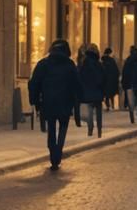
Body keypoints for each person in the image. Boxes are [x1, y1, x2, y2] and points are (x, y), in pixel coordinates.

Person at [28, 39, 81, 170]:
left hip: (48, 101)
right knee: (63, 127)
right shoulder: (70, 65)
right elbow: (77, 85)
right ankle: (58, 151)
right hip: (65, 101)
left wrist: (34, 101)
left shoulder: (43, 64)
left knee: (51, 127)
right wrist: (78, 100)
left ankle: (53, 153)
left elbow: (34, 83)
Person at [78, 44, 105, 137]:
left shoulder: (83, 63)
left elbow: (80, 77)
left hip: (88, 91)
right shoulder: (99, 64)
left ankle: (90, 130)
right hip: (98, 91)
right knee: (99, 112)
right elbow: (103, 78)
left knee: (89, 110)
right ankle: (99, 131)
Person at [121, 47, 137, 123]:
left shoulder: (128, 61)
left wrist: (124, 83)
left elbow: (125, 72)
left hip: (129, 83)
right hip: (136, 83)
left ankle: (132, 118)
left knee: (130, 101)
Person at [101, 47, 121, 111]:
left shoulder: (103, 61)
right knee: (111, 94)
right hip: (112, 80)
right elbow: (116, 71)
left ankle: (107, 106)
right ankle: (112, 106)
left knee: (106, 94)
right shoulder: (112, 61)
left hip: (105, 80)